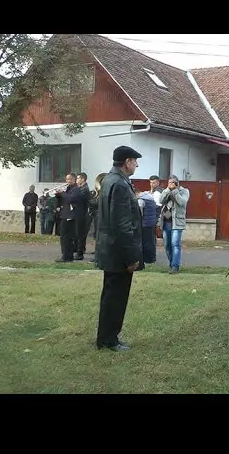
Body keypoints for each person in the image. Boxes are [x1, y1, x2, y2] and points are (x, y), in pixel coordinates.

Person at [95, 146, 144, 351]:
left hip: (110, 249)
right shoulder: (120, 184)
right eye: (135, 161)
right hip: (118, 253)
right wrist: (132, 256)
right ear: (127, 162)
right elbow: (123, 224)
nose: (137, 165)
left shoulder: (109, 180)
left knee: (110, 296)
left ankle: (105, 337)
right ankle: (109, 340)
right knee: (116, 297)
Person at [158, 175, 190, 274]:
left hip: (177, 222)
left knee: (175, 244)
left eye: (173, 183)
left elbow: (182, 202)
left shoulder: (184, 191)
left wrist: (175, 191)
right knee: (167, 245)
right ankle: (172, 263)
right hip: (166, 221)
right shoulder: (166, 190)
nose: (171, 184)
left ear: (177, 183)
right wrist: (168, 190)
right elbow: (160, 200)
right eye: (169, 182)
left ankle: (175, 267)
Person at [135, 188, 158, 264]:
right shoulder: (150, 197)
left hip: (144, 223)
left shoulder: (141, 201)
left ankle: (146, 259)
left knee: (145, 242)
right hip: (151, 223)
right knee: (151, 241)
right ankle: (152, 258)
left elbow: (139, 214)